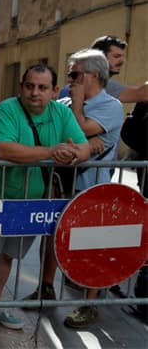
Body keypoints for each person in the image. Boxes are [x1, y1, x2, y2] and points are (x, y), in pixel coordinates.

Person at [0, 63, 90, 333]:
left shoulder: (61, 112)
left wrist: (72, 154)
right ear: (21, 87)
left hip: (29, 201)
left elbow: (84, 147)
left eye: (42, 87)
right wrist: (51, 151)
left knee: (9, 255)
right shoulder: (6, 110)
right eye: (30, 86)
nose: (35, 92)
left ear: (54, 91)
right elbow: (3, 150)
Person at [35, 49, 123, 328]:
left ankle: (89, 303)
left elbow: (75, 130)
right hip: (60, 183)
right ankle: (45, 287)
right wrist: (83, 139)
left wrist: (77, 108)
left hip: (91, 187)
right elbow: (59, 133)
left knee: (90, 246)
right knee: (50, 237)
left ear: (93, 76)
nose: (69, 80)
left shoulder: (110, 106)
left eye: (74, 74)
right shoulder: (62, 101)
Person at [59, 35, 148, 103]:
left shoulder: (69, 87)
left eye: (122, 57)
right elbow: (143, 94)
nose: (122, 61)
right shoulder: (98, 83)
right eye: (116, 56)